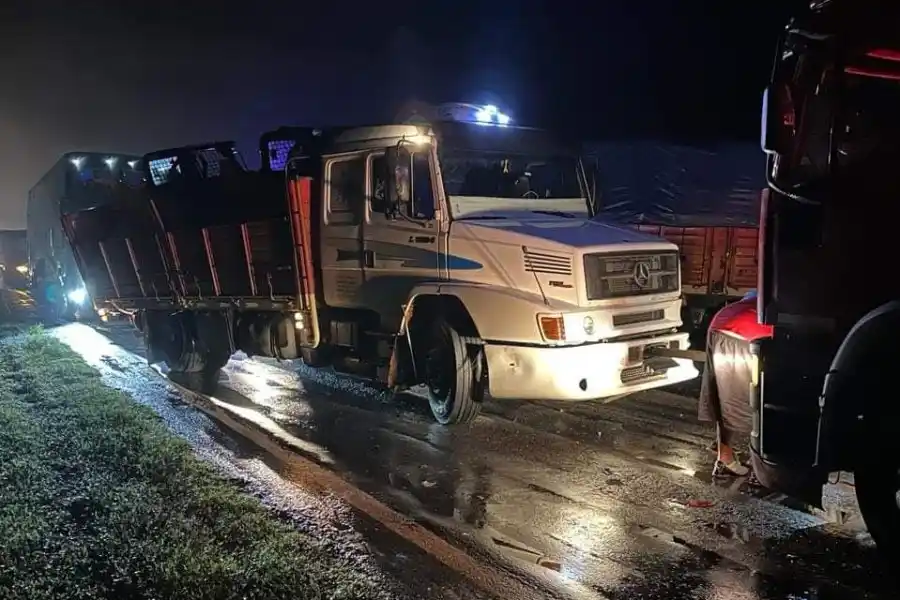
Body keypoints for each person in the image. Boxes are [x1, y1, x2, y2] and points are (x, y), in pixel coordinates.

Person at [698, 290, 773, 478]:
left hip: (719, 325)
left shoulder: (767, 287)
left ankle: (725, 457)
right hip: (743, 333)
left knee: (726, 399)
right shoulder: (798, 301)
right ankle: (759, 468)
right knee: (754, 399)